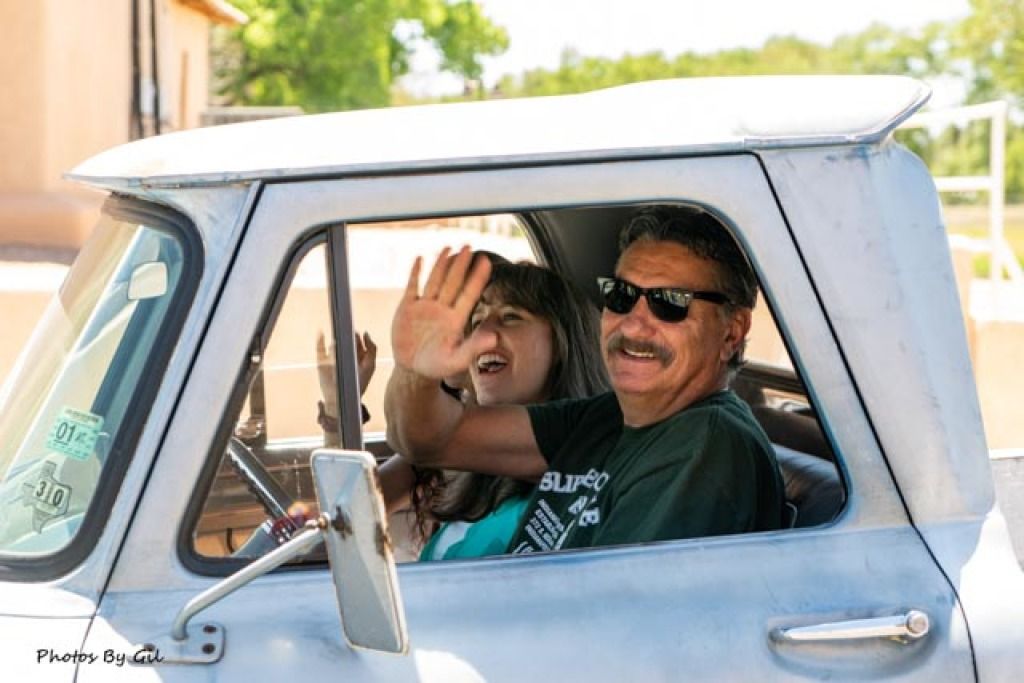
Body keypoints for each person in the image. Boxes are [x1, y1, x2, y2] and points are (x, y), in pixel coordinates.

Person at [384, 206, 784, 554]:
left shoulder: (703, 444)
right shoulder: (604, 419)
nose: (633, 325)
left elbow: (617, 619)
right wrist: (416, 370)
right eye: (622, 295)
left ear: (731, 333)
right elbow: (428, 439)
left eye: (669, 302)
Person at [377, 260, 609, 560]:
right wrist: (414, 367)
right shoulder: (470, 465)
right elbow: (411, 438)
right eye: (476, 321)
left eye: (511, 317)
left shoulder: (582, 447)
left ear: (563, 342)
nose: (483, 333)